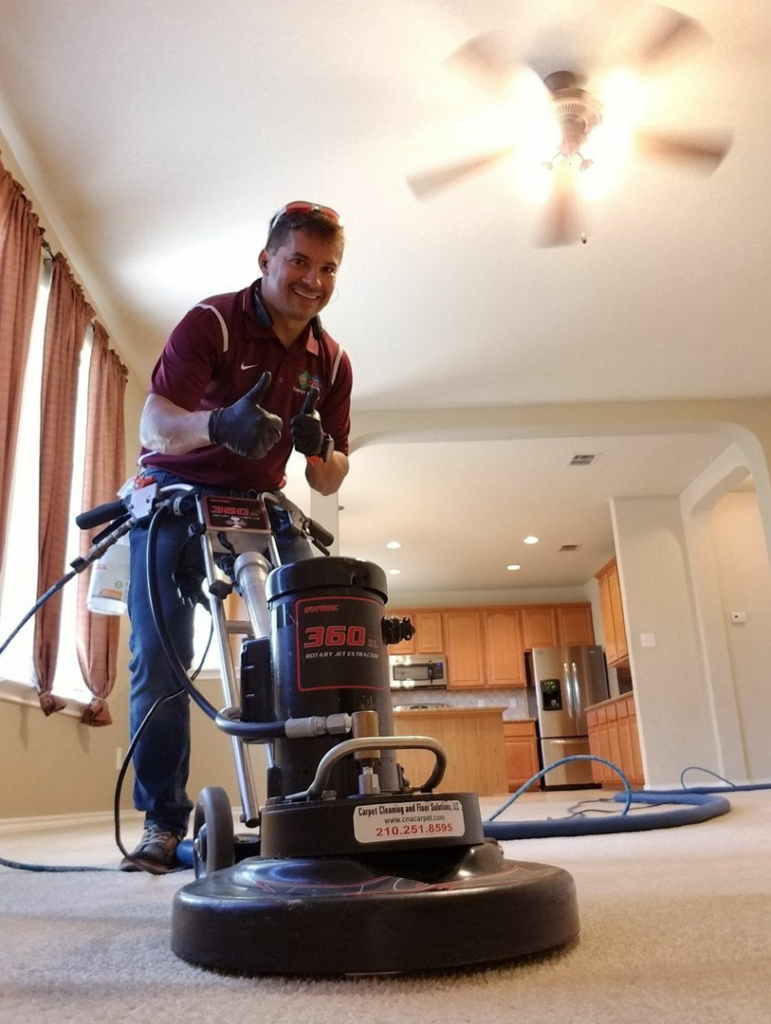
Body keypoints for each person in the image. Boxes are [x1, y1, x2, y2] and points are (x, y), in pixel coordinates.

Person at [121, 202, 351, 872]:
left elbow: (330, 478)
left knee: (313, 641)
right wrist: (218, 424)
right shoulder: (213, 323)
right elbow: (154, 425)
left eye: (328, 268)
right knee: (160, 653)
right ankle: (163, 821)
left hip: (260, 502)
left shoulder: (332, 362)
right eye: (299, 261)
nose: (313, 280)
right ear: (266, 260)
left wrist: (320, 447)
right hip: (176, 492)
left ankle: (311, 797)